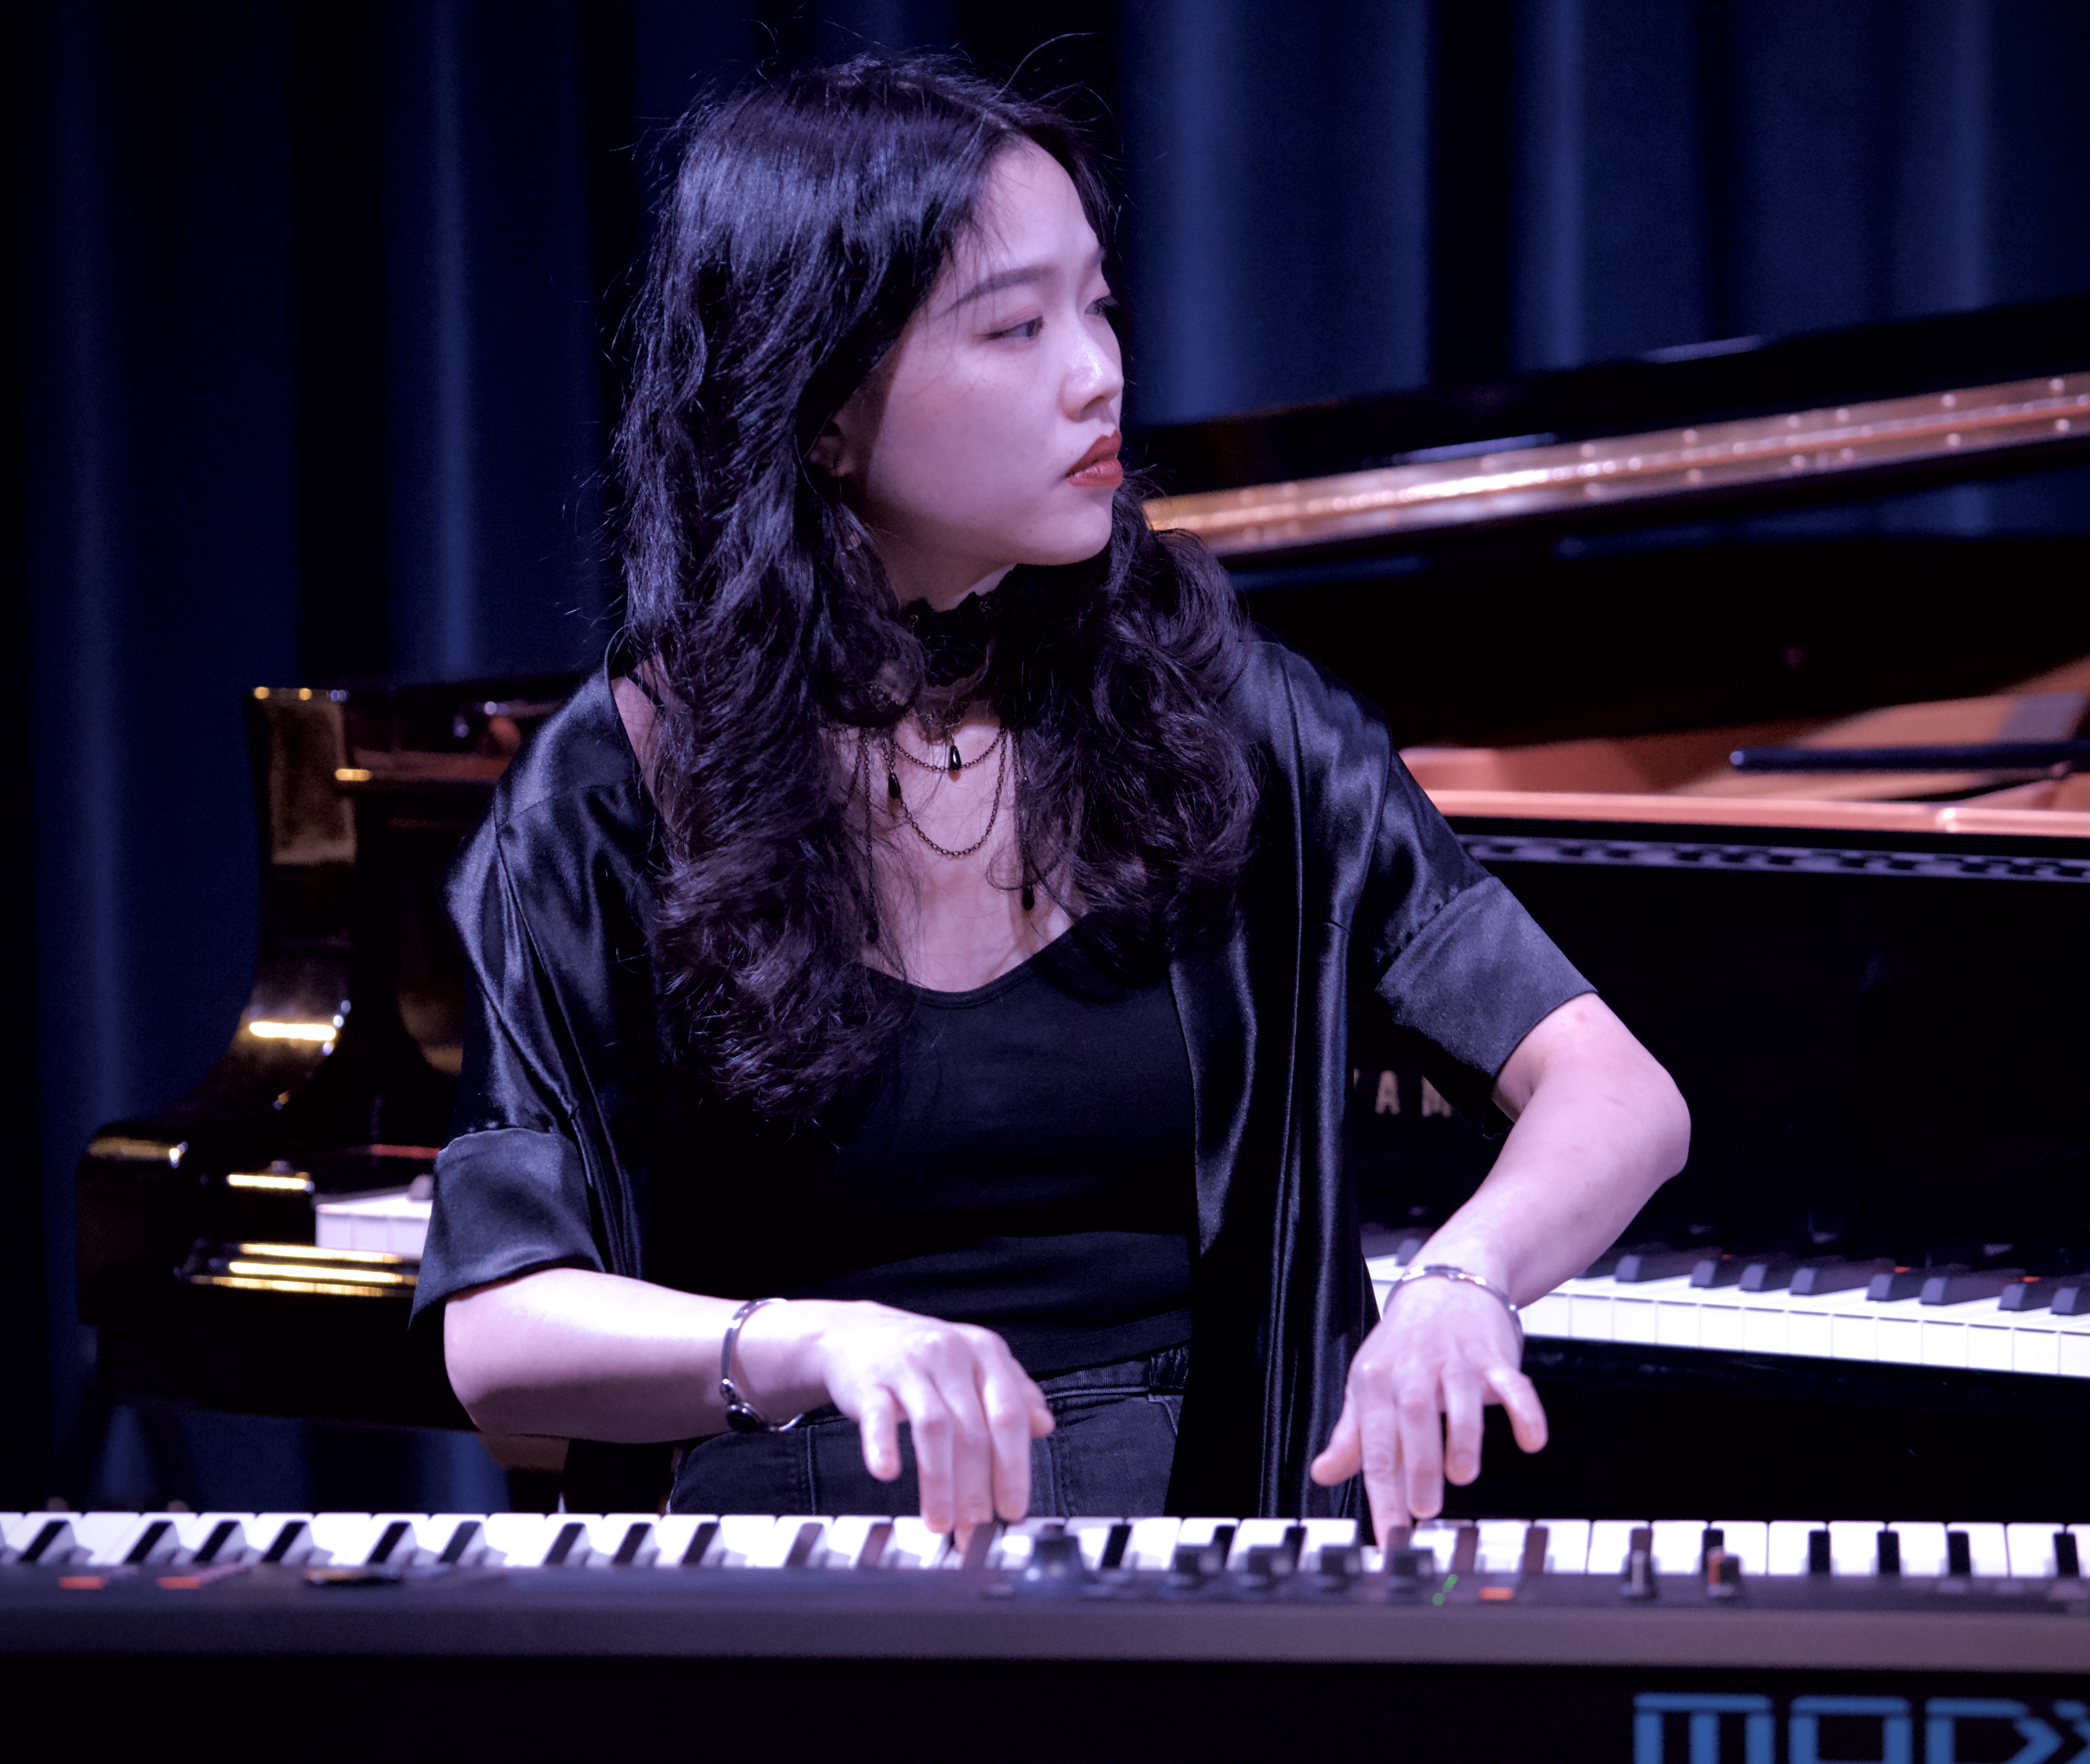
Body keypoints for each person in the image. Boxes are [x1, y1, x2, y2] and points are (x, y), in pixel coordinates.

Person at [418, 57, 1688, 1546]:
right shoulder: (612, 787)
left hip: (1206, 1546)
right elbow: (497, 1335)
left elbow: (1618, 1093)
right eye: (1016, 327)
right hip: (800, 1556)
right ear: (820, 411)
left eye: (1098, 307)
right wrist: (811, 1344)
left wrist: (1464, 1282)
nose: (1098, 375)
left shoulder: (1225, 715)